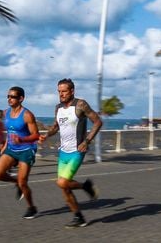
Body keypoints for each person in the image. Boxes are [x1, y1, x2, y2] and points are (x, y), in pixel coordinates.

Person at [39, 78, 103, 228]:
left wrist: (86, 141)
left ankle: (85, 187)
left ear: (72, 91)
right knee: (64, 186)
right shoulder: (58, 107)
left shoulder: (81, 104)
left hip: (77, 151)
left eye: (64, 91)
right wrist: (46, 135)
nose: (61, 94)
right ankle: (79, 217)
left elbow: (98, 122)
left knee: (61, 182)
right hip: (63, 152)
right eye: (59, 92)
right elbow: (56, 126)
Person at [0, 86, 40, 219]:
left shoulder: (27, 115)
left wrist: (22, 139)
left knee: (23, 182)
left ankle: (32, 208)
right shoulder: (5, 112)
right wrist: (4, 144)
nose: (9, 99)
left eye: (12, 97)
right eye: (8, 96)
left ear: (21, 98)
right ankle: (16, 183)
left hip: (26, 150)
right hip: (11, 149)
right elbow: (9, 131)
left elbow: (36, 135)